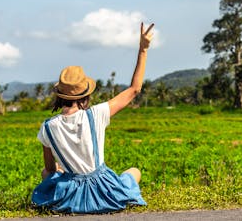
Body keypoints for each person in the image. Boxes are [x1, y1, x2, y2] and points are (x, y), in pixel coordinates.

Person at [32, 22, 154, 213]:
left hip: (71, 197)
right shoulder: (97, 113)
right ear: (85, 95)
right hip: (106, 193)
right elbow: (134, 89)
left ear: (59, 95)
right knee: (134, 172)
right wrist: (143, 49)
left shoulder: (48, 127)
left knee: (47, 172)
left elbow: (49, 170)